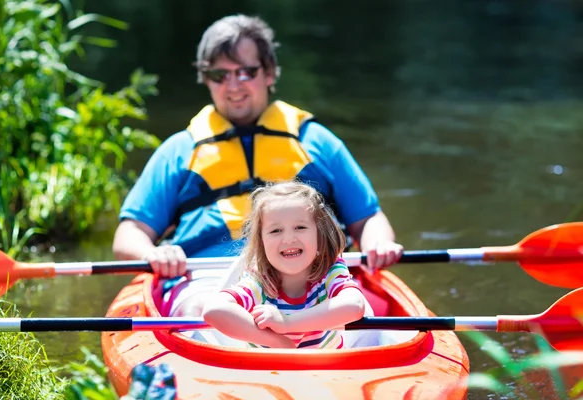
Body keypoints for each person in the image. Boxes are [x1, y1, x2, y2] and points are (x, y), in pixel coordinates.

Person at [112, 14, 403, 280]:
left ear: (269, 73)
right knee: (205, 309)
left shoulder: (316, 142)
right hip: (206, 281)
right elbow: (129, 234)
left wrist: (378, 244)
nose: (233, 85)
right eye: (219, 75)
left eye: (245, 72)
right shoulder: (178, 151)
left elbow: (367, 219)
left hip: (313, 279)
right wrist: (154, 254)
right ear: (206, 80)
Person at [202, 181, 368, 349]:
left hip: (325, 369)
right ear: (261, 242)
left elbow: (355, 305)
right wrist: (278, 342)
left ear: (319, 233)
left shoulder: (329, 270)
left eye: (300, 227)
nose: (289, 239)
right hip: (270, 372)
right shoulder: (260, 279)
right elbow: (214, 309)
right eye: (276, 231)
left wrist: (286, 322)